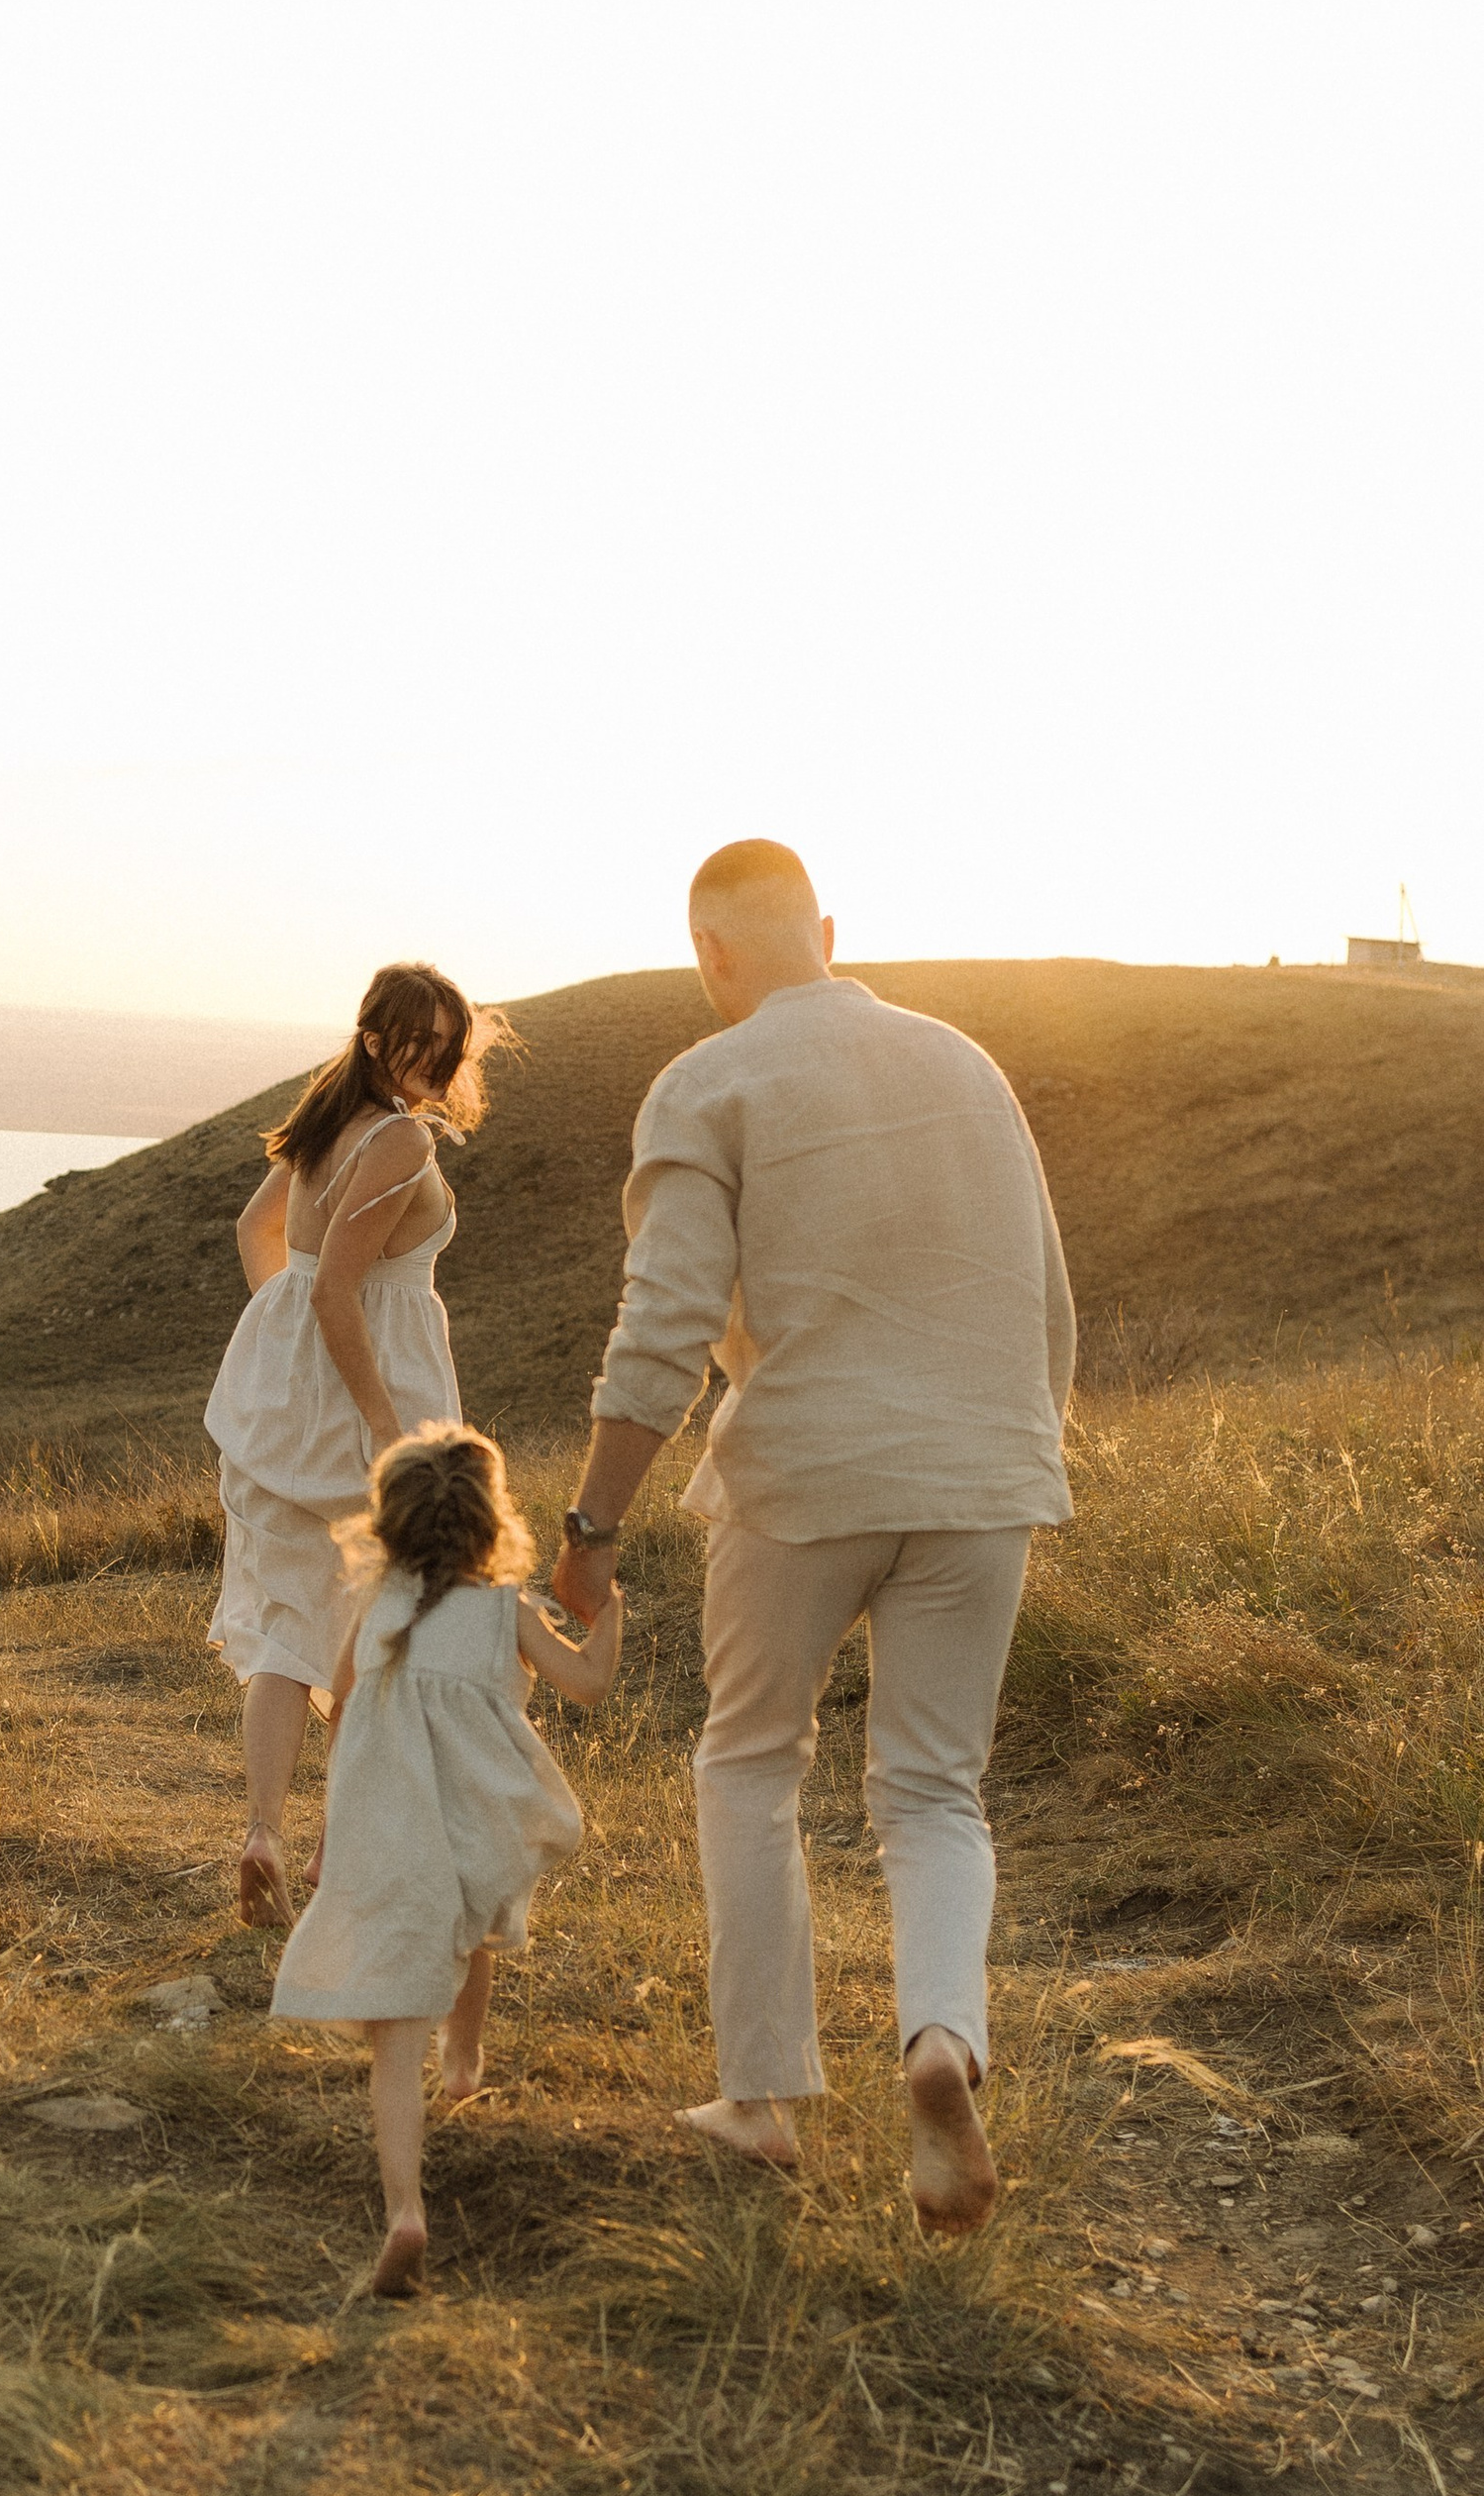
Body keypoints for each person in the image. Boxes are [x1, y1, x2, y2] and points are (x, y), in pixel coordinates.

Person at [548, 841, 1074, 2236]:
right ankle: (942, 2044)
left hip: (801, 1475)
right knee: (933, 1791)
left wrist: (593, 1522)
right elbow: (1046, 1285)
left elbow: (662, 1326)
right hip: (983, 1468)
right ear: (828, 930)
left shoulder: (709, 1081)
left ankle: (762, 2095)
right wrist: (1021, 1441)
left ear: (710, 953)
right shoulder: (966, 1062)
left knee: (748, 1756)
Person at [271, 1424, 620, 2298]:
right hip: (475, 1821)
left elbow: (345, 1701)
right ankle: (464, 2066)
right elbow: (589, 1685)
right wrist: (609, 1613)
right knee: (472, 1927)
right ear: (490, 1521)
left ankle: (405, 2211)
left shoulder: (379, 1605)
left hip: (391, 1827)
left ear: (388, 1525)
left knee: (396, 2031)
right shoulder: (507, 1609)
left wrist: (329, 1830)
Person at [206, 962, 512, 1927]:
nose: (436, 1059)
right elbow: (339, 1290)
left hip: (286, 1400)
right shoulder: (395, 1140)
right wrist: (390, 1435)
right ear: (375, 1037)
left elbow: (261, 1232)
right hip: (365, 1401)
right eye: (418, 1040)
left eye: (447, 1044)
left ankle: (264, 1829)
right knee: (371, 1629)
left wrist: (280, 1327)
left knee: (292, 1628)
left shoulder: (330, 1116)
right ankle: (330, 1848)